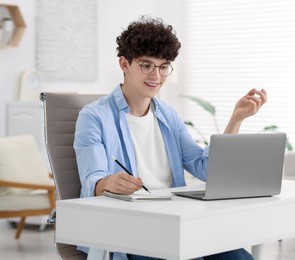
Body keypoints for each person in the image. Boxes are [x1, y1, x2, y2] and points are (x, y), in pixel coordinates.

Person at [74, 16, 267, 260]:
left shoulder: (168, 115)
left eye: (163, 66)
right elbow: (92, 180)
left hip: (176, 223)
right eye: (146, 65)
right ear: (124, 63)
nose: (156, 75)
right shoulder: (94, 117)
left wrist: (236, 119)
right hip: (128, 230)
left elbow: (204, 167)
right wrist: (108, 183)